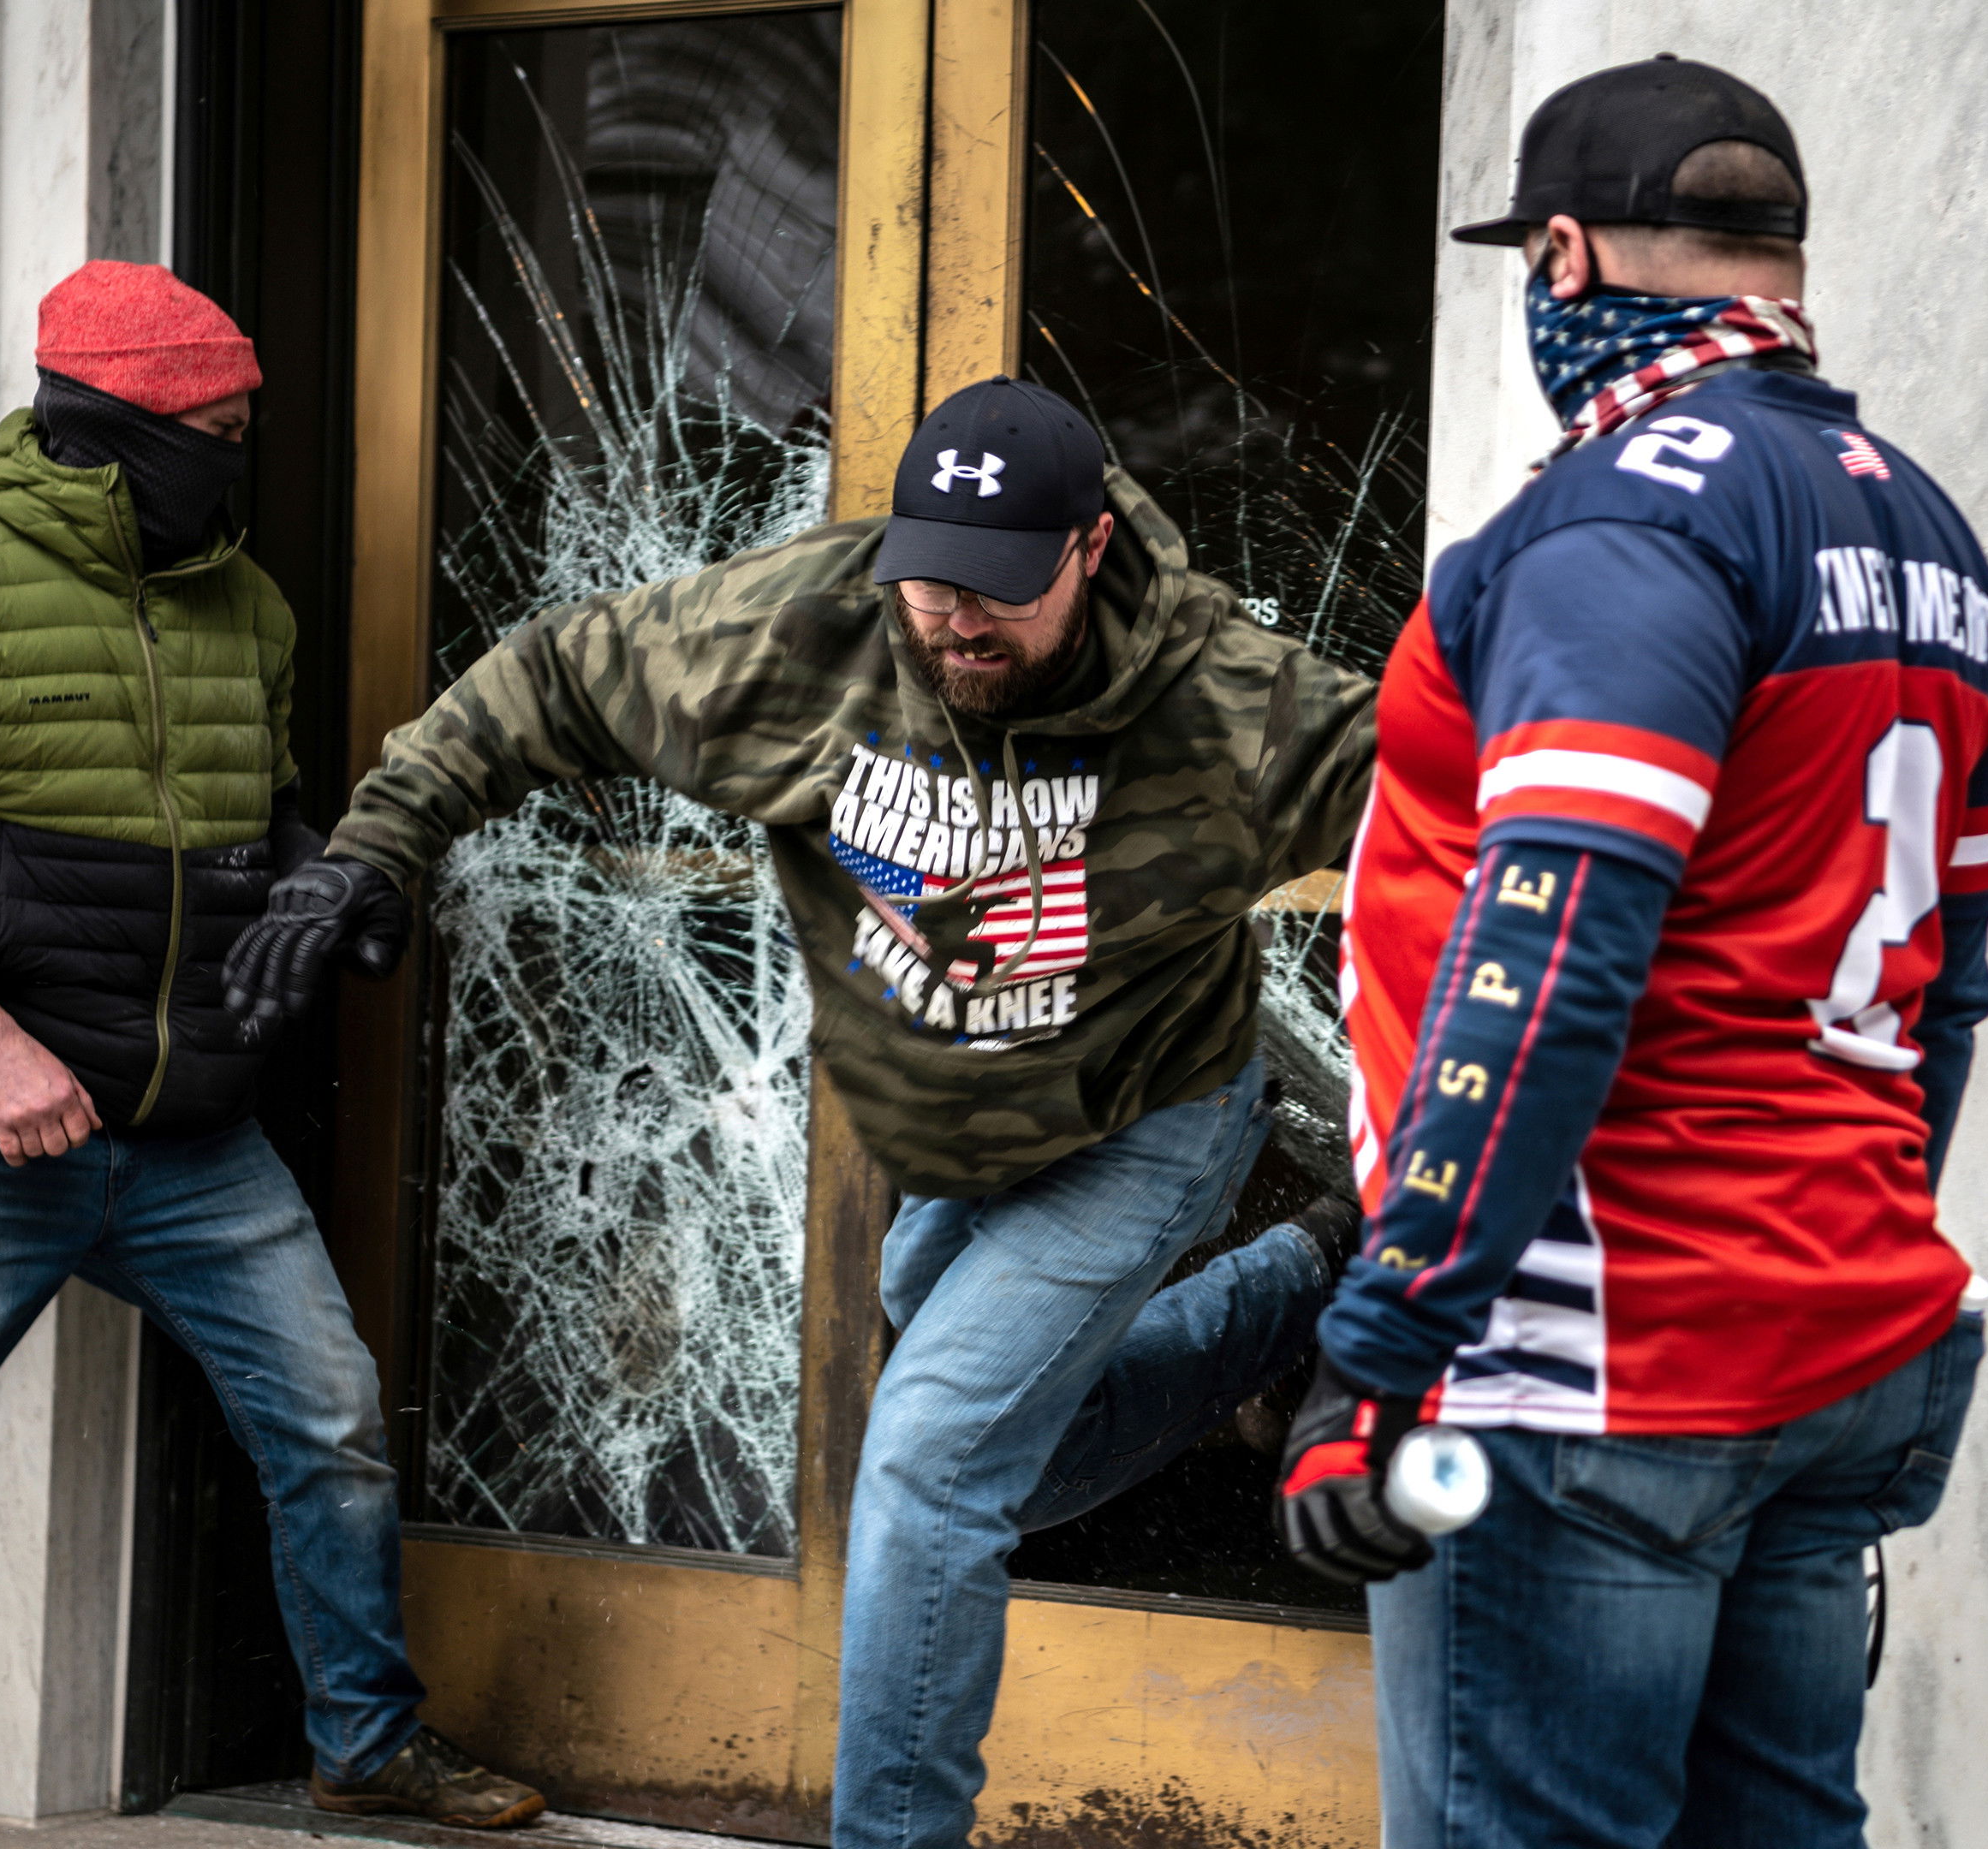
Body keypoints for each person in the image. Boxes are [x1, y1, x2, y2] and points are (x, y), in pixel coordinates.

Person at [236, 374, 1375, 1849]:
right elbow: (557, 674)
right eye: (932, 584)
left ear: (1091, 550)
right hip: (955, 1128)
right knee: (1011, 1458)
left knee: (928, 1464)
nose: (956, 622)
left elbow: (1481, 814)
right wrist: (372, 851)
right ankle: (1300, 1285)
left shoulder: (1232, 701)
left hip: (1148, 1109)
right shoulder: (808, 632)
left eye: (1001, 591)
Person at [0, 262, 545, 1849]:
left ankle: (365, 1745)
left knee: (331, 1419)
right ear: (117, 429)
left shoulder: (249, 609)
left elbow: (260, 821)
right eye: (217, 431)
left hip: (191, 1133)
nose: (239, 455)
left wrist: (327, 890)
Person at [1273, 56, 1988, 1848]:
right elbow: (1950, 989)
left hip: (1599, 1362)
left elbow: (1552, 956)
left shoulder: (1621, 523)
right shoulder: (1925, 531)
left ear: (1564, 258)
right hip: (1839, 1331)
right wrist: (1829, 1237)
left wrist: (1383, 1346)